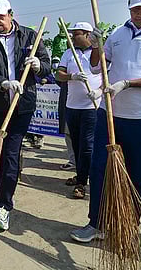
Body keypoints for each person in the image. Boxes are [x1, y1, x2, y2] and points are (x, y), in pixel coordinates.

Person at [71, 0, 141, 242]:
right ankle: (96, 223)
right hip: (109, 116)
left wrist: (127, 84)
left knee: (136, 175)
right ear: (129, 8)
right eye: (136, 9)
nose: (140, 14)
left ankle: (127, 227)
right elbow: (98, 67)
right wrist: (97, 44)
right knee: (99, 170)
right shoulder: (118, 34)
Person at [0, 0, 51, 230]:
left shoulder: (29, 36)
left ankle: (5, 206)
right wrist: (3, 83)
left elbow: (46, 65)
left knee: (11, 153)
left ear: (11, 14)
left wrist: (37, 65)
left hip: (22, 105)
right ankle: (0, 199)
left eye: (1, 17)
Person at [56, 22, 102, 199]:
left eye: (76, 34)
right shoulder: (69, 53)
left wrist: (98, 91)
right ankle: (80, 174)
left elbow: (108, 75)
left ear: (88, 35)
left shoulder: (99, 54)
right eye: (72, 34)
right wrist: (71, 76)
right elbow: (58, 74)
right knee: (76, 144)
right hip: (72, 106)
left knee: (87, 145)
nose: (72, 38)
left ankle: (83, 182)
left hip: (91, 107)